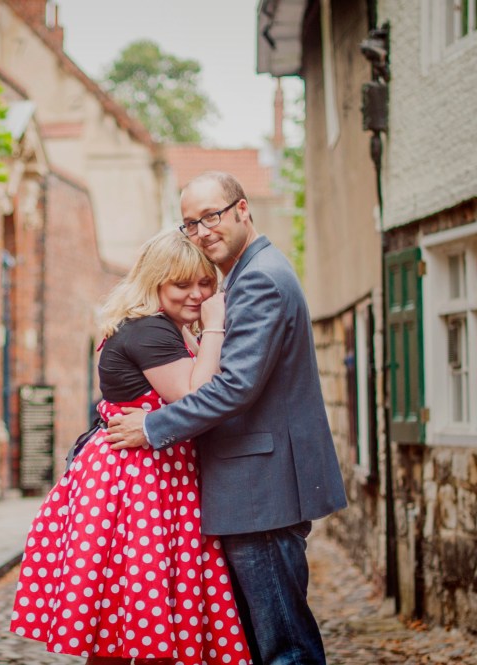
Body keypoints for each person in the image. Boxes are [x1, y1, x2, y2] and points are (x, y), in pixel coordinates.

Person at [105, 172, 348, 665]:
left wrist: (151, 428)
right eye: (191, 223)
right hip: (255, 488)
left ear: (242, 209)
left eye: (211, 216)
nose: (202, 231)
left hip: (259, 489)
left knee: (284, 647)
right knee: (265, 643)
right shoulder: (247, 274)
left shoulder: (258, 279)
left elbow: (234, 387)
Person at [9, 231, 251, 665]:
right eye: (182, 284)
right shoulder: (150, 330)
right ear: (155, 283)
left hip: (145, 477)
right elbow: (195, 396)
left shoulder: (162, 327)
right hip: (138, 482)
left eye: (205, 283)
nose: (197, 294)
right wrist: (216, 323)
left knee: (126, 627)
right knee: (139, 618)